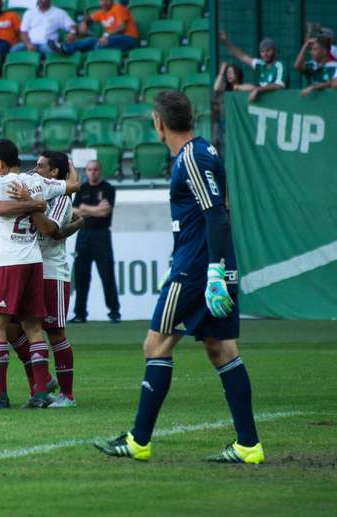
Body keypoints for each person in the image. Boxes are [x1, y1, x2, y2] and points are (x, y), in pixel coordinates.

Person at [94, 90, 264, 464]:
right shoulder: (202, 151)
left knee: (155, 345)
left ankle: (138, 440)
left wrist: (214, 270)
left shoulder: (192, 158)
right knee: (220, 348)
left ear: (159, 122)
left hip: (197, 269)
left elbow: (216, 214)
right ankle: (248, 445)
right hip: (205, 264)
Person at [0, 139, 81, 408]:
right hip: (34, 261)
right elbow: (74, 186)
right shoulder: (38, 184)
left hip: (9, 263)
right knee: (33, 329)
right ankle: (41, 393)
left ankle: (0, 395)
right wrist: (39, 201)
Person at [12, 151, 85, 408]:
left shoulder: (62, 197)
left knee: (54, 332)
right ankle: (42, 388)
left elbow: (48, 230)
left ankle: (67, 395)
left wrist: (29, 202)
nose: (35, 170)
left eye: (41, 166)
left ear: (55, 173)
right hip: (28, 267)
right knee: (16, 328)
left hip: (52, 272)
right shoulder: (36, 187)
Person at [70, 159, 121, 324]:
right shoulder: (81, 188)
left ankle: (114, 312)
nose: (93, 172)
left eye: (96, 169)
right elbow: (73, 212)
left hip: (102, 236)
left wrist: (84, 209)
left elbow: (104, 212)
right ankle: (80, 313)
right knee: (81, 276)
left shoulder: (108, 189)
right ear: (86, 171)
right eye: (90, 170)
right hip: (83, 234)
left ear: (100, 171)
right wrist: (93, 210)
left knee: (107, 275)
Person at [50, 0, 138, 54]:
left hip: (129, 38)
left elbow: (122, 27)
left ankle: (95, 60)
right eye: (101, 1)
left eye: (106, 0)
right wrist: (84, 22)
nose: (103, 3)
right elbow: (88, 17)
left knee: (99, 44)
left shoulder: (118, 8)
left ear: (111, 0)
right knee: (89, 41)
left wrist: (107, 35)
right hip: (111, 38)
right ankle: (65, 48)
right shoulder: (101, 13)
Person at [218, 32, 285, 102]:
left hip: (278, 103)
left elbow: (278, 86)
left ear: (274, 51)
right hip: (265, 104)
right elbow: (242, 56)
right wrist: (225, 42)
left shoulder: (280, 65)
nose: (265, 54)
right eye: (262, 51)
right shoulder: (260, 64)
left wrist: (257, 90)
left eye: (268, 51)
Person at [10, 0, 76, 56]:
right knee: (15, 49)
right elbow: (23, 32)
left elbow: (72, 26)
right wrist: (28, 44)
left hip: (48, 44)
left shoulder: (59, 13)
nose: (40, 0)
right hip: (31, 43)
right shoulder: (29, 13)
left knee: (49, 49)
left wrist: (72, 32)